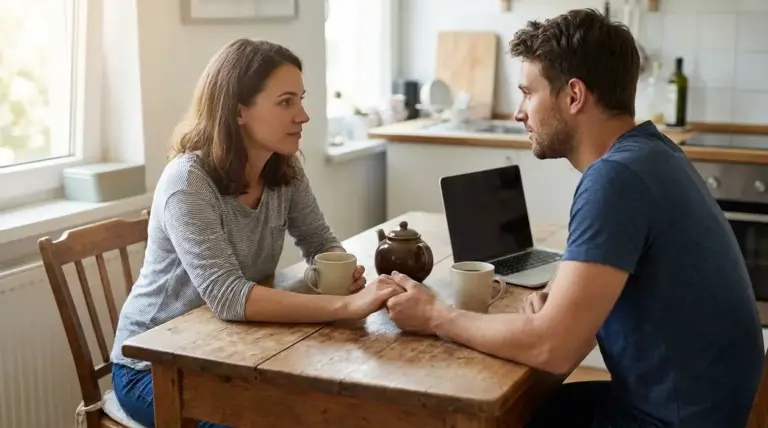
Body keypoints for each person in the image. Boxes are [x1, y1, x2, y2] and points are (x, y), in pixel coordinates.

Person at [384, 8, 765, 428]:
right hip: (699, 407)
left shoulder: (616, 178)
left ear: (574, 95)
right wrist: (564, 299)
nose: (518, 112)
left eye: (528, 93)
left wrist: (437, 316)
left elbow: (553, 348)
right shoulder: (654, 153)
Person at [109, 39, 403, 428]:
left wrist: (340, 273)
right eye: (286, 102)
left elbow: (318, 243)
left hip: (230, 350)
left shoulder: (284, 171)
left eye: (301, 99)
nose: (303, 115)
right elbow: (228, 297)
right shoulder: (187, 182)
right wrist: (346, 306)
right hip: (153, 367)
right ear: (239, 111)